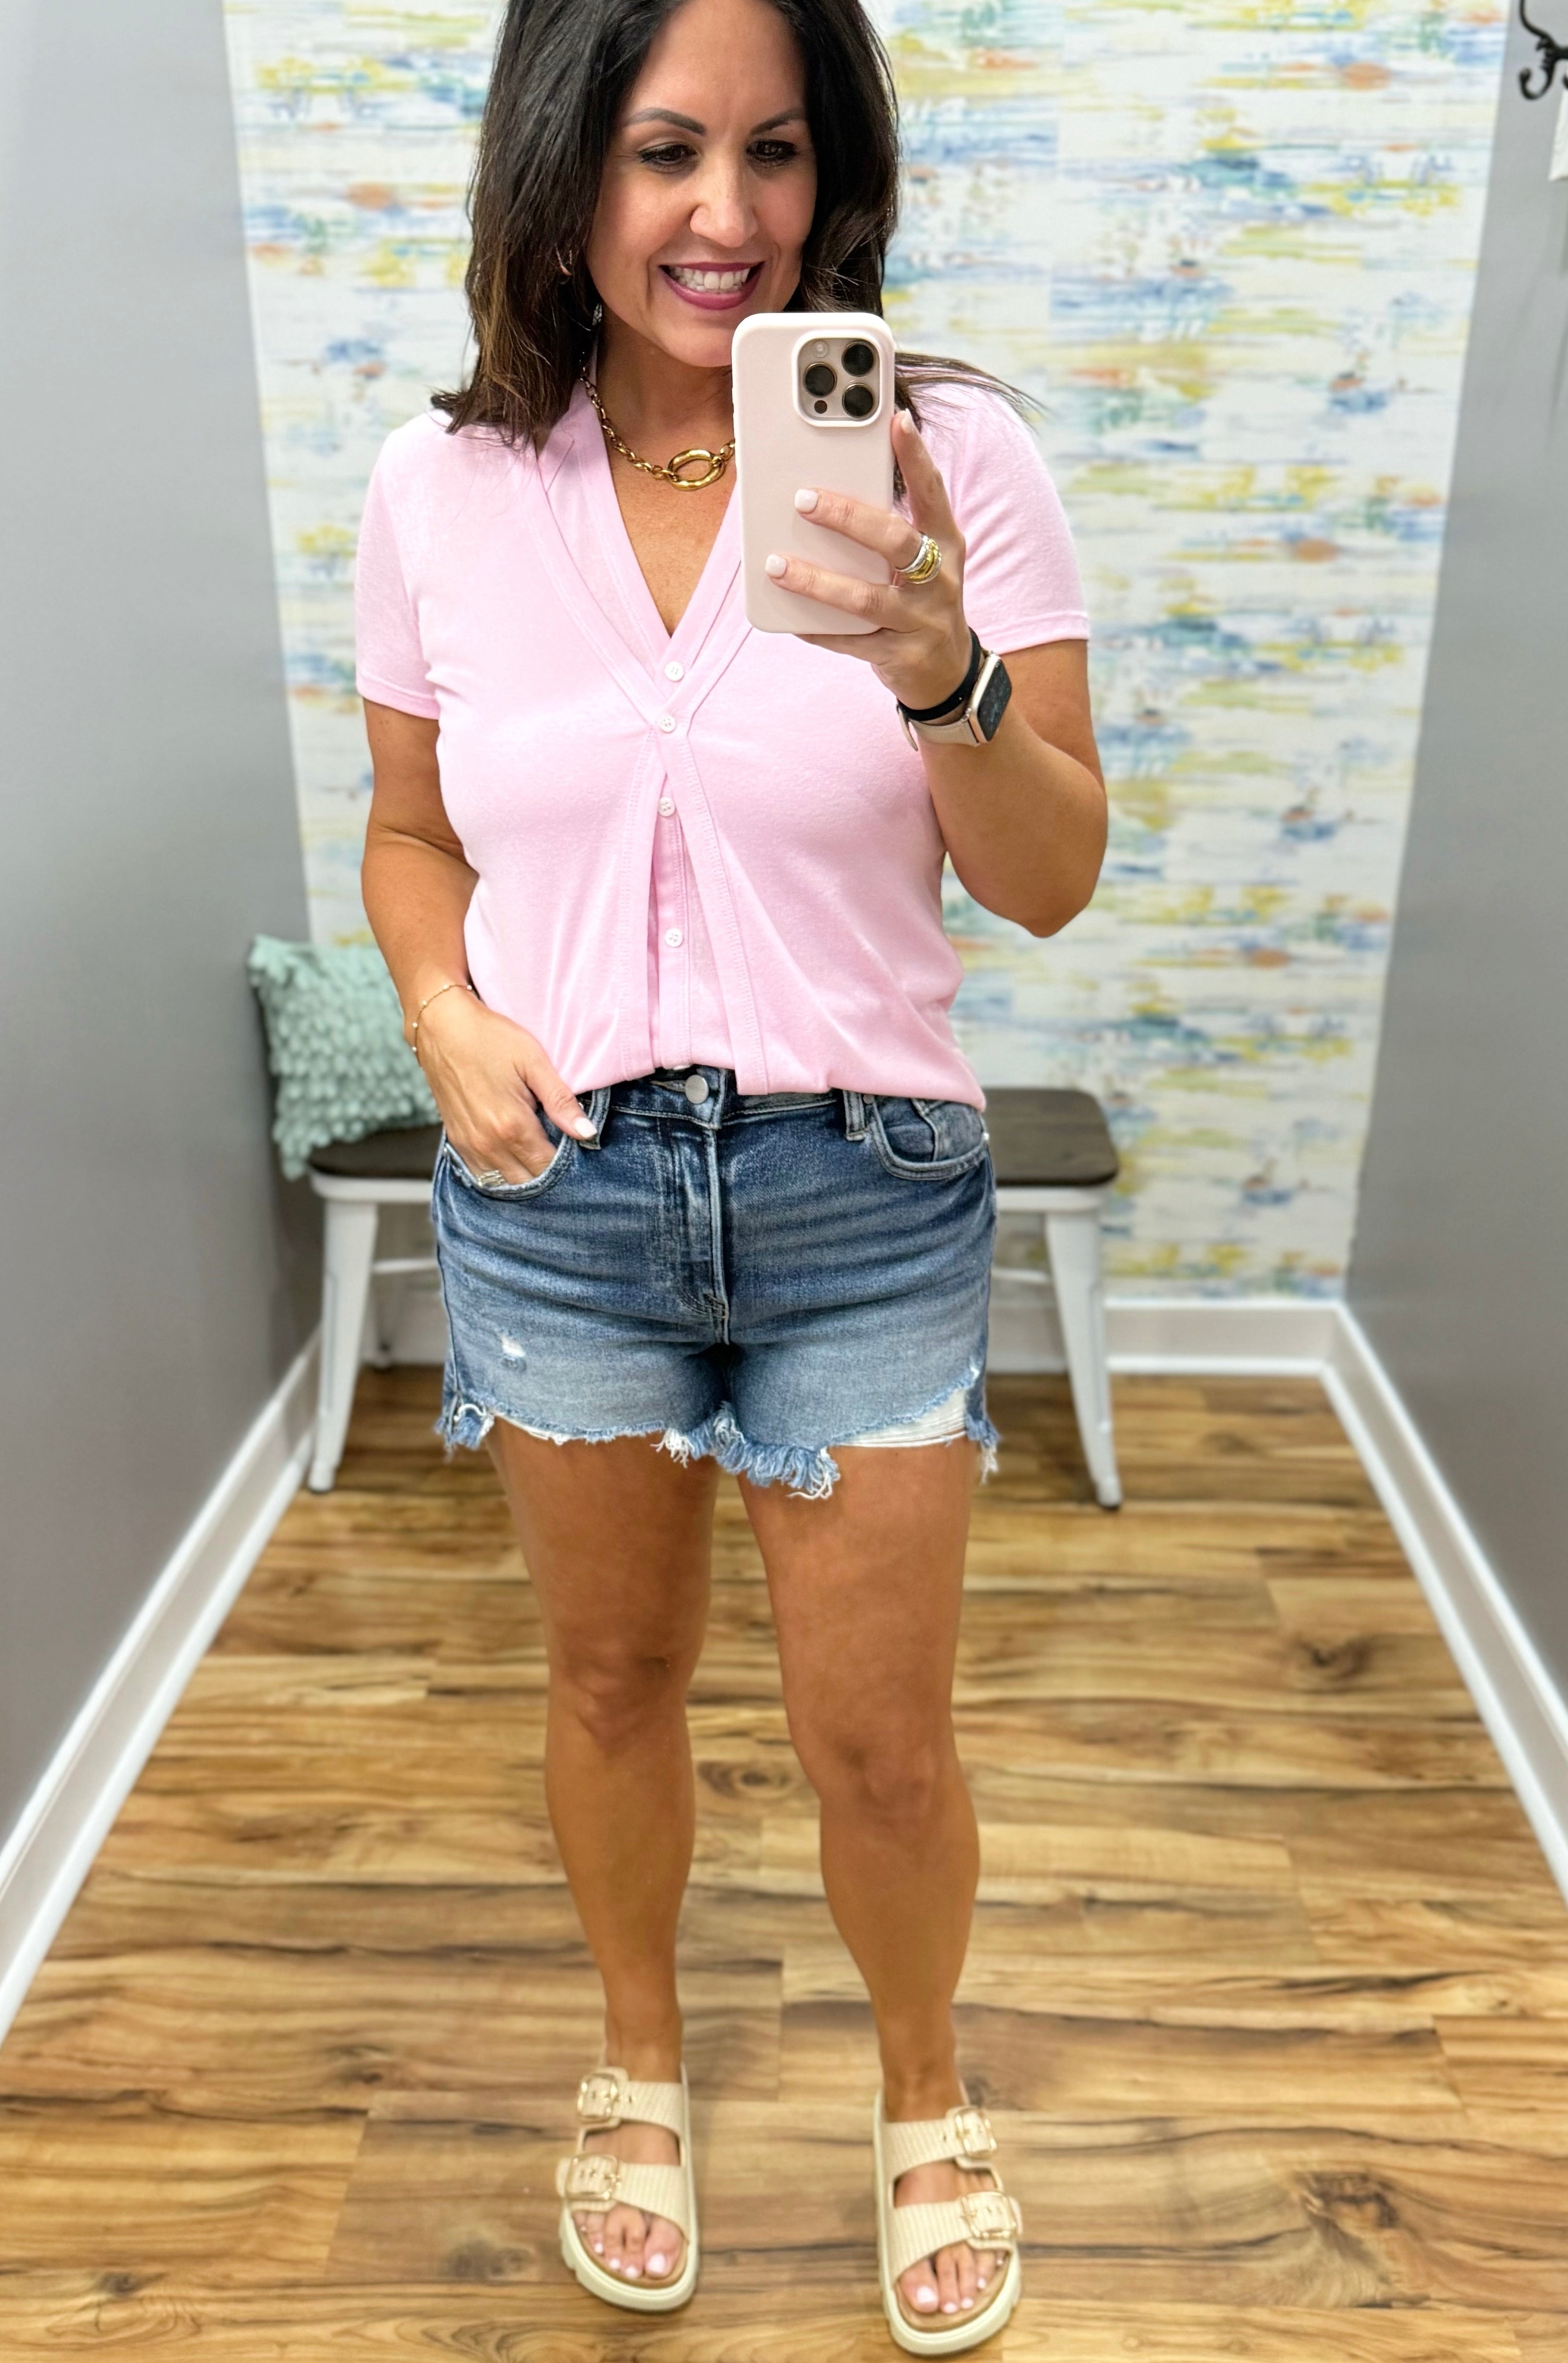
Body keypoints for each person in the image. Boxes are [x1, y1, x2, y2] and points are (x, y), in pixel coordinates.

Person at [355, 0, 1105, 2345]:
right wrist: (444, 1012)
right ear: (561, 170)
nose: (725, 215)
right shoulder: (442, 489)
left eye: (775, 154)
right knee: (606, 1680)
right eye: (665, 151)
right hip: (559, 1181)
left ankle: (918, 2087)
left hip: (858, 1182)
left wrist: (932, 664)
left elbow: (1052, 872)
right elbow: (406, 832)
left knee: (876, 1730)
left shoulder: (946, 456)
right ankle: (640, 2057)